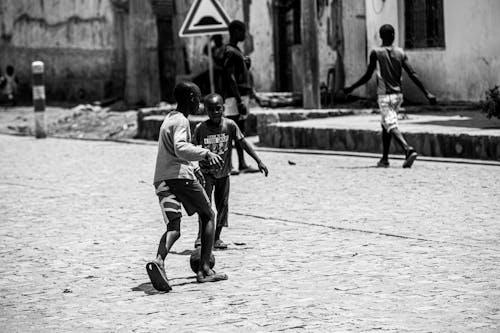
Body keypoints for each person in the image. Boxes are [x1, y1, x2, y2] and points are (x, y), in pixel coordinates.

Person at [147, 81, 227, 291]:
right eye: (199, 100)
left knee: (174, 227)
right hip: (178, 177)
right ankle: (205, 271)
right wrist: (206, 153)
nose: (199, 105)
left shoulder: (169, 118)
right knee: (208, 214)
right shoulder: (181, 121)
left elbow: (172, 150)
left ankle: (158, 261)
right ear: (191, 98)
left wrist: (195, 168)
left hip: (162, 180)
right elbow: (180, 148)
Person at [343, 24, 436, 168]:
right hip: (398, 96)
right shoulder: (400, 52)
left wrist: (351, 88)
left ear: (380, 36)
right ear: (394, 35)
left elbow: (368, 76)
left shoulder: (376, 52)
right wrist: (427, 93)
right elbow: (413, 74)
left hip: (384, 95)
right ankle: (384, 159)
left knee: (390, 124)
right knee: (385, 124)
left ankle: (407, 149)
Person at [192, 93, 268, 249]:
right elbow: (191, 149)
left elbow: (243, 143)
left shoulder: (230, 125)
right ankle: (201, 237)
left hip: (224, 174)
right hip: (206, 174)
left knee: (222, 207)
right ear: (205, 110)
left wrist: (258, 161)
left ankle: (216, 238)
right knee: (205, 206)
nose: (214, 112)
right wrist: (192, 168)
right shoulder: (201, 128)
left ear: (223, 108)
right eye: (210, 109)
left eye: (217, 109)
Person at [222, 20, 259, 175]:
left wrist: (246, 65)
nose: (245, 34)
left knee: (239, 131)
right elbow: (230, 77)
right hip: (234, 98)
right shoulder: (230, 51)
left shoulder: (236, 50)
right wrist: (238, 100)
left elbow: (238, 73)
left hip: (241, 95)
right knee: (231, 132)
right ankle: (229, 165)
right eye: (243, 31)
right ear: (235, 31)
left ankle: (242, 163)